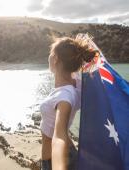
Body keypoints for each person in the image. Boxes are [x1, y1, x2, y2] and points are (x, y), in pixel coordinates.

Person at [39, 35, 98, 170]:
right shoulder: (77, 83)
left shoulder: (65, 96)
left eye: (50, 53)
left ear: (55, 59)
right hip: (64, 156)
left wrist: (58, 166)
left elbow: (59, 136)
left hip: (57, 161)